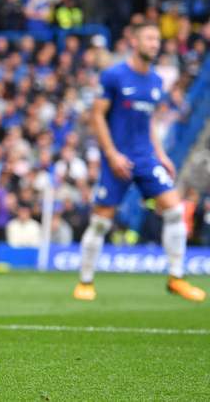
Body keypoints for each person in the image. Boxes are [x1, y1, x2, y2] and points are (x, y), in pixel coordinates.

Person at [74, 21, 205, 302]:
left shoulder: (157, 81)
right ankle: (85, 282)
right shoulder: (114, 76)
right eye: (149, 39)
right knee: (100, 222)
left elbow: (147, 124)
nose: (154, 44)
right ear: (134, 41)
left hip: (145, 157)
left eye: (157, 40)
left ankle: (176, 278)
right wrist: (111, 155)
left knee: (173, 210)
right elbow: (97, 116)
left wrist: (161, 155)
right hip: (117, 158)